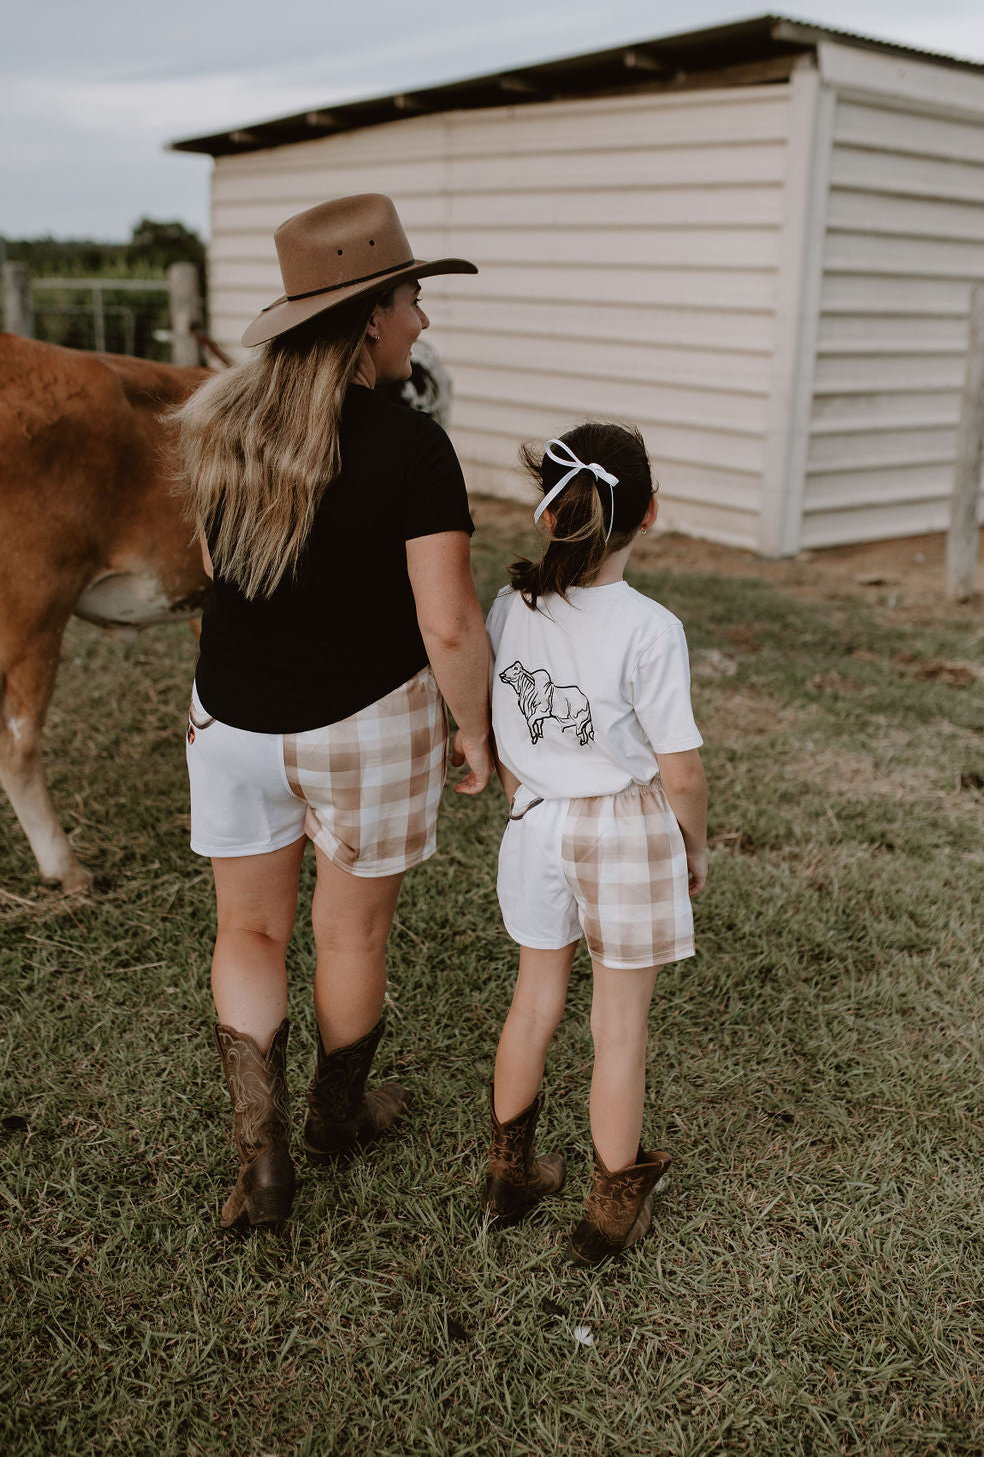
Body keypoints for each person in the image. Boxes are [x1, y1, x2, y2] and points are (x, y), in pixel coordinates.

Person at [174, 194, 492, 1230]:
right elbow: (447, 626)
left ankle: (262, 1165)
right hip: (364, 727)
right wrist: (476, 732)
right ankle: (336, 1119)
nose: (422, 322)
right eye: (411, 300)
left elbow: (220, 573)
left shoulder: (219, 426)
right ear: (369, 320)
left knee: (249, 930)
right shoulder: (412, 449)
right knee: (349, 934)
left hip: (230, 722)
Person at [480, 423, 707, 1265]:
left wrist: (521, 795)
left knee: (533, 1002)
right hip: (623, 828)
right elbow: (680, 771)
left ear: (549, 514)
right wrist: (695, 845)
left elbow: (506, 725)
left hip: (535, 822)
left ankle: (510, 1176)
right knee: (619, 1028)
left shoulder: (512, 605)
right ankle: (610, 1212)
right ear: (648, 513)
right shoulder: (651, 627)